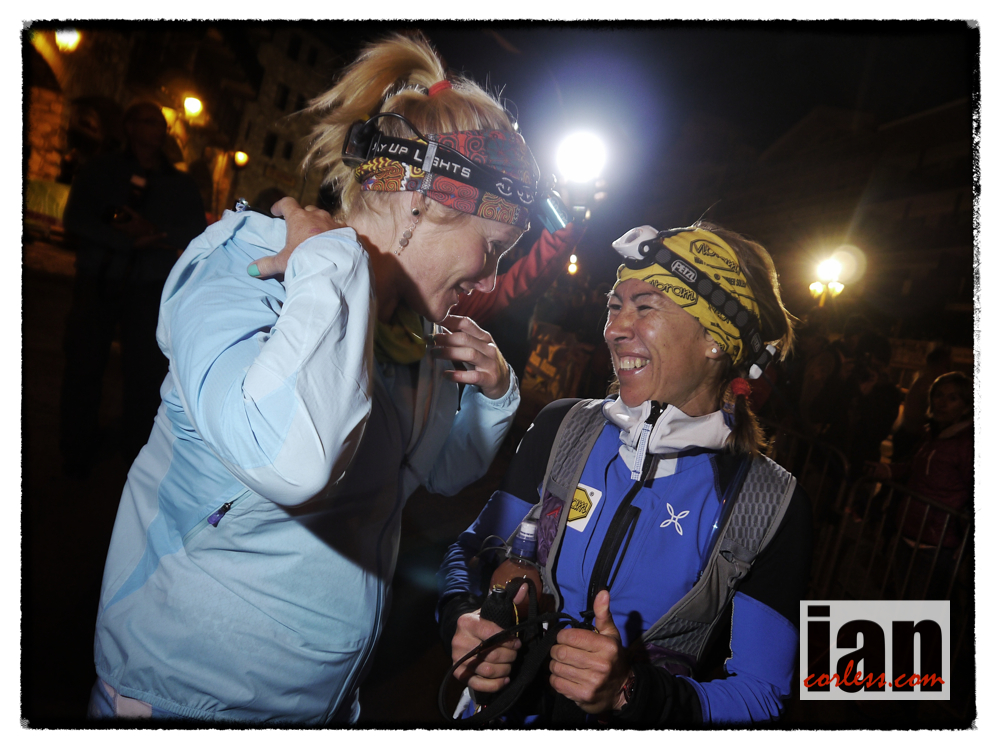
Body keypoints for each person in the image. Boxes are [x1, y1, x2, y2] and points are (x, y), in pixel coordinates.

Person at [89, 33, 540, 725]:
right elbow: (292, 460)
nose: (490, 280)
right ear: (421, 201)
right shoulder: (250, 266)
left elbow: (436, 473)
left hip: (320, 710)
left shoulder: (409, 330)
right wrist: (331, 264)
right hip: (180, 702)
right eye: (493, 248)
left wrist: (493, 396)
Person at [437, 222, 813, 726]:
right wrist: (463, 617)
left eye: (645, 307)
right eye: (615, 306)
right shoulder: (563, 427)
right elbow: (468, 551)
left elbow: (761, 694)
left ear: (715, 339)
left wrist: (630, 692)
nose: (614, 329)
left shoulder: (770, 503)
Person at [59, 101, 207, 474]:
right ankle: (76, 449)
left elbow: (194, 231)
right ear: (129, 126)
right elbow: (76, 218)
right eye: (148, 121)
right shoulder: (101, 169)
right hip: (98, 278)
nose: (158, 129)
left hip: (148, 287)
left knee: (144, 373)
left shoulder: (179, 184)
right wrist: (122, 239)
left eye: (161, 124)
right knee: (84, 364)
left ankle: (135, 451)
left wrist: (154, 234)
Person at [868, 371, 973, 598]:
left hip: (937, 543)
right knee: (904, 599)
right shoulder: (931, 433)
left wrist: (966, 542)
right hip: (908, 532)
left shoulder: (967, 444)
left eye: (952, 398)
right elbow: (914, 466)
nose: (942, 402)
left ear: (966, 407)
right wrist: (888, 470)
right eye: (939, 395)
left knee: (923, 608)